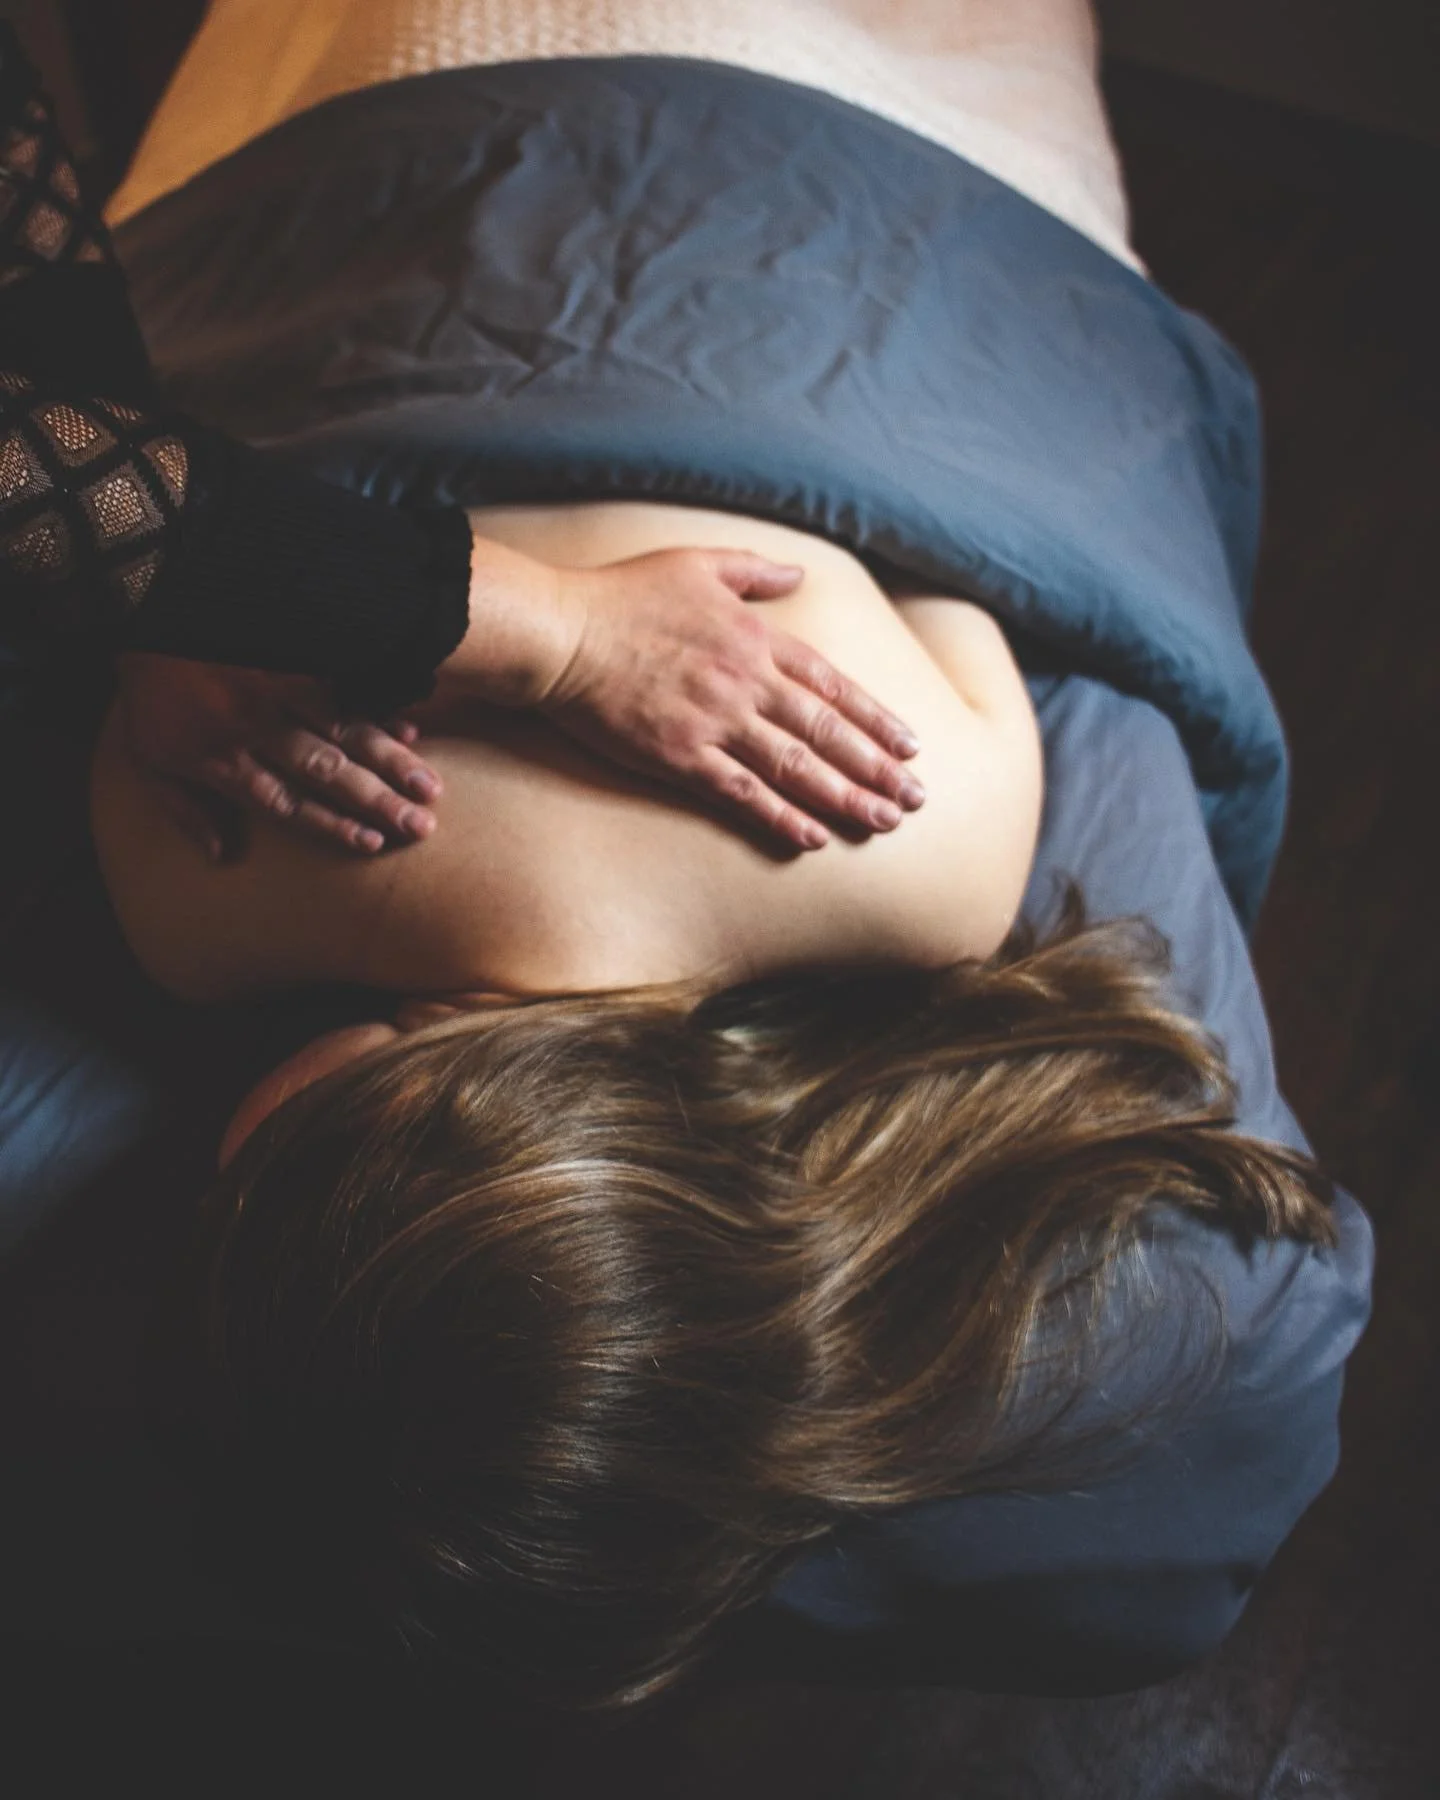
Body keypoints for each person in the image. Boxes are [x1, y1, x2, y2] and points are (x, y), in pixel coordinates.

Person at [6, 4, 1362, 1715]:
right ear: (379, 1117)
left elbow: (966, 588)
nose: (205, 1178)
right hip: (413, 150)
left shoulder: (923, 868)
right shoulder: (198, 885)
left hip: (867, 188)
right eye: (244, 1203)